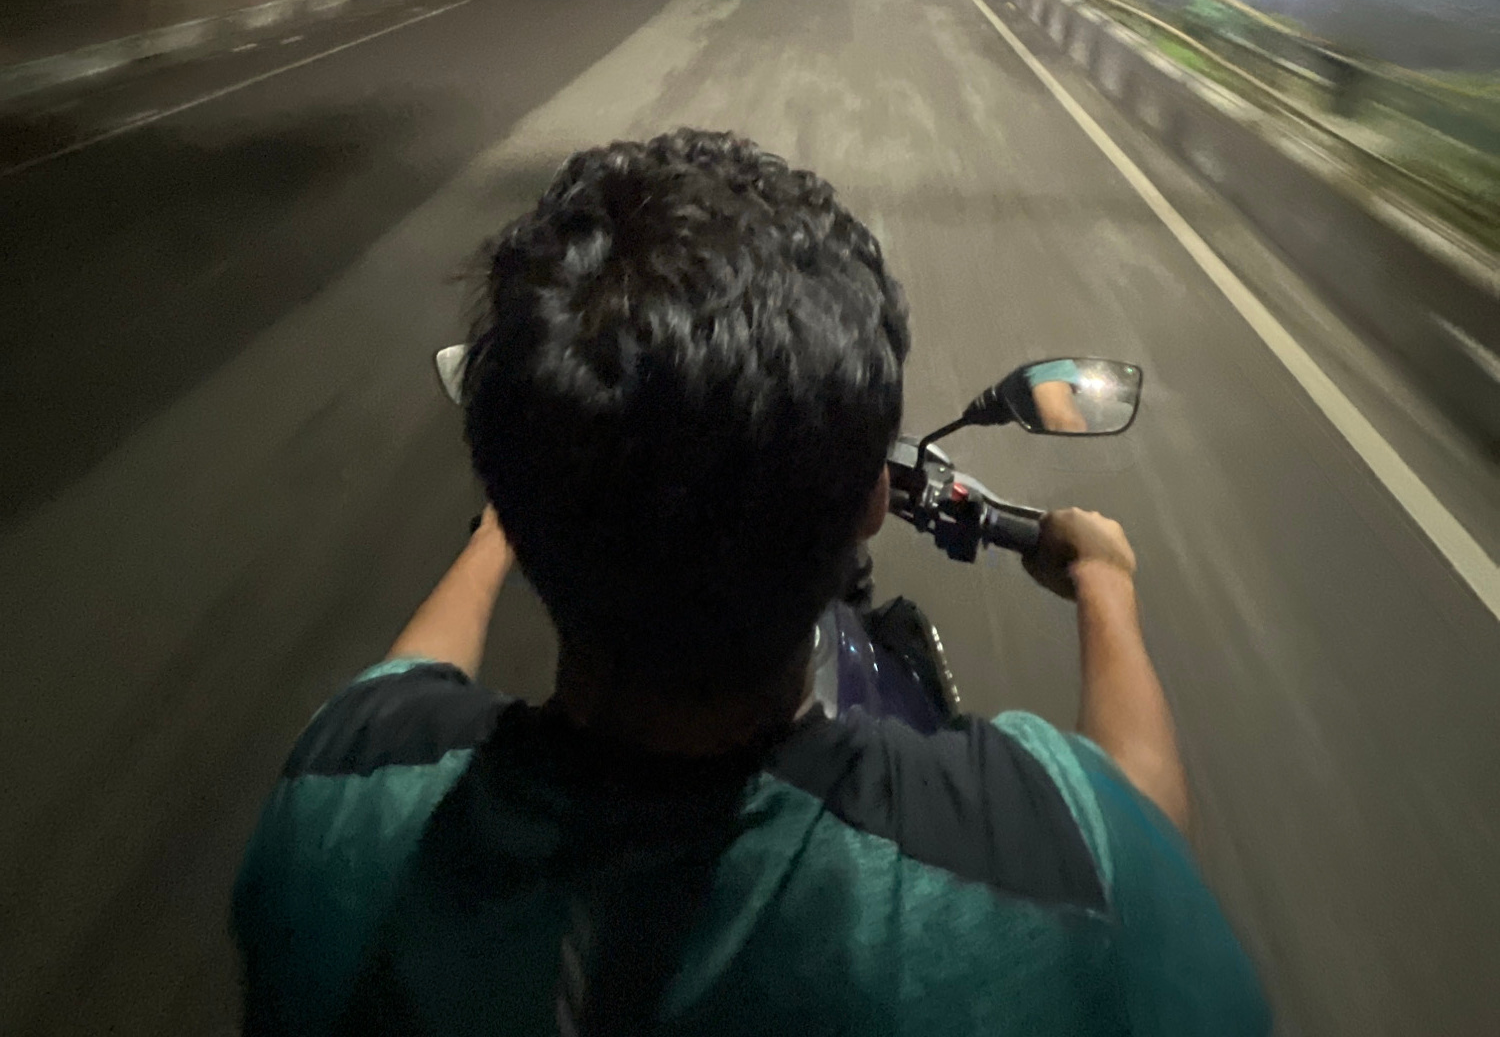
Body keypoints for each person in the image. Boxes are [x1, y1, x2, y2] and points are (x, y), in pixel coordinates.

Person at [235, 131, 1269, 1036]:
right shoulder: (1047, 885)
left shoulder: (335, 806)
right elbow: (1137, 816)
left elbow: (408, 675)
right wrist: (1105, 582)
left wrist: (504, 525)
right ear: (872, 500)